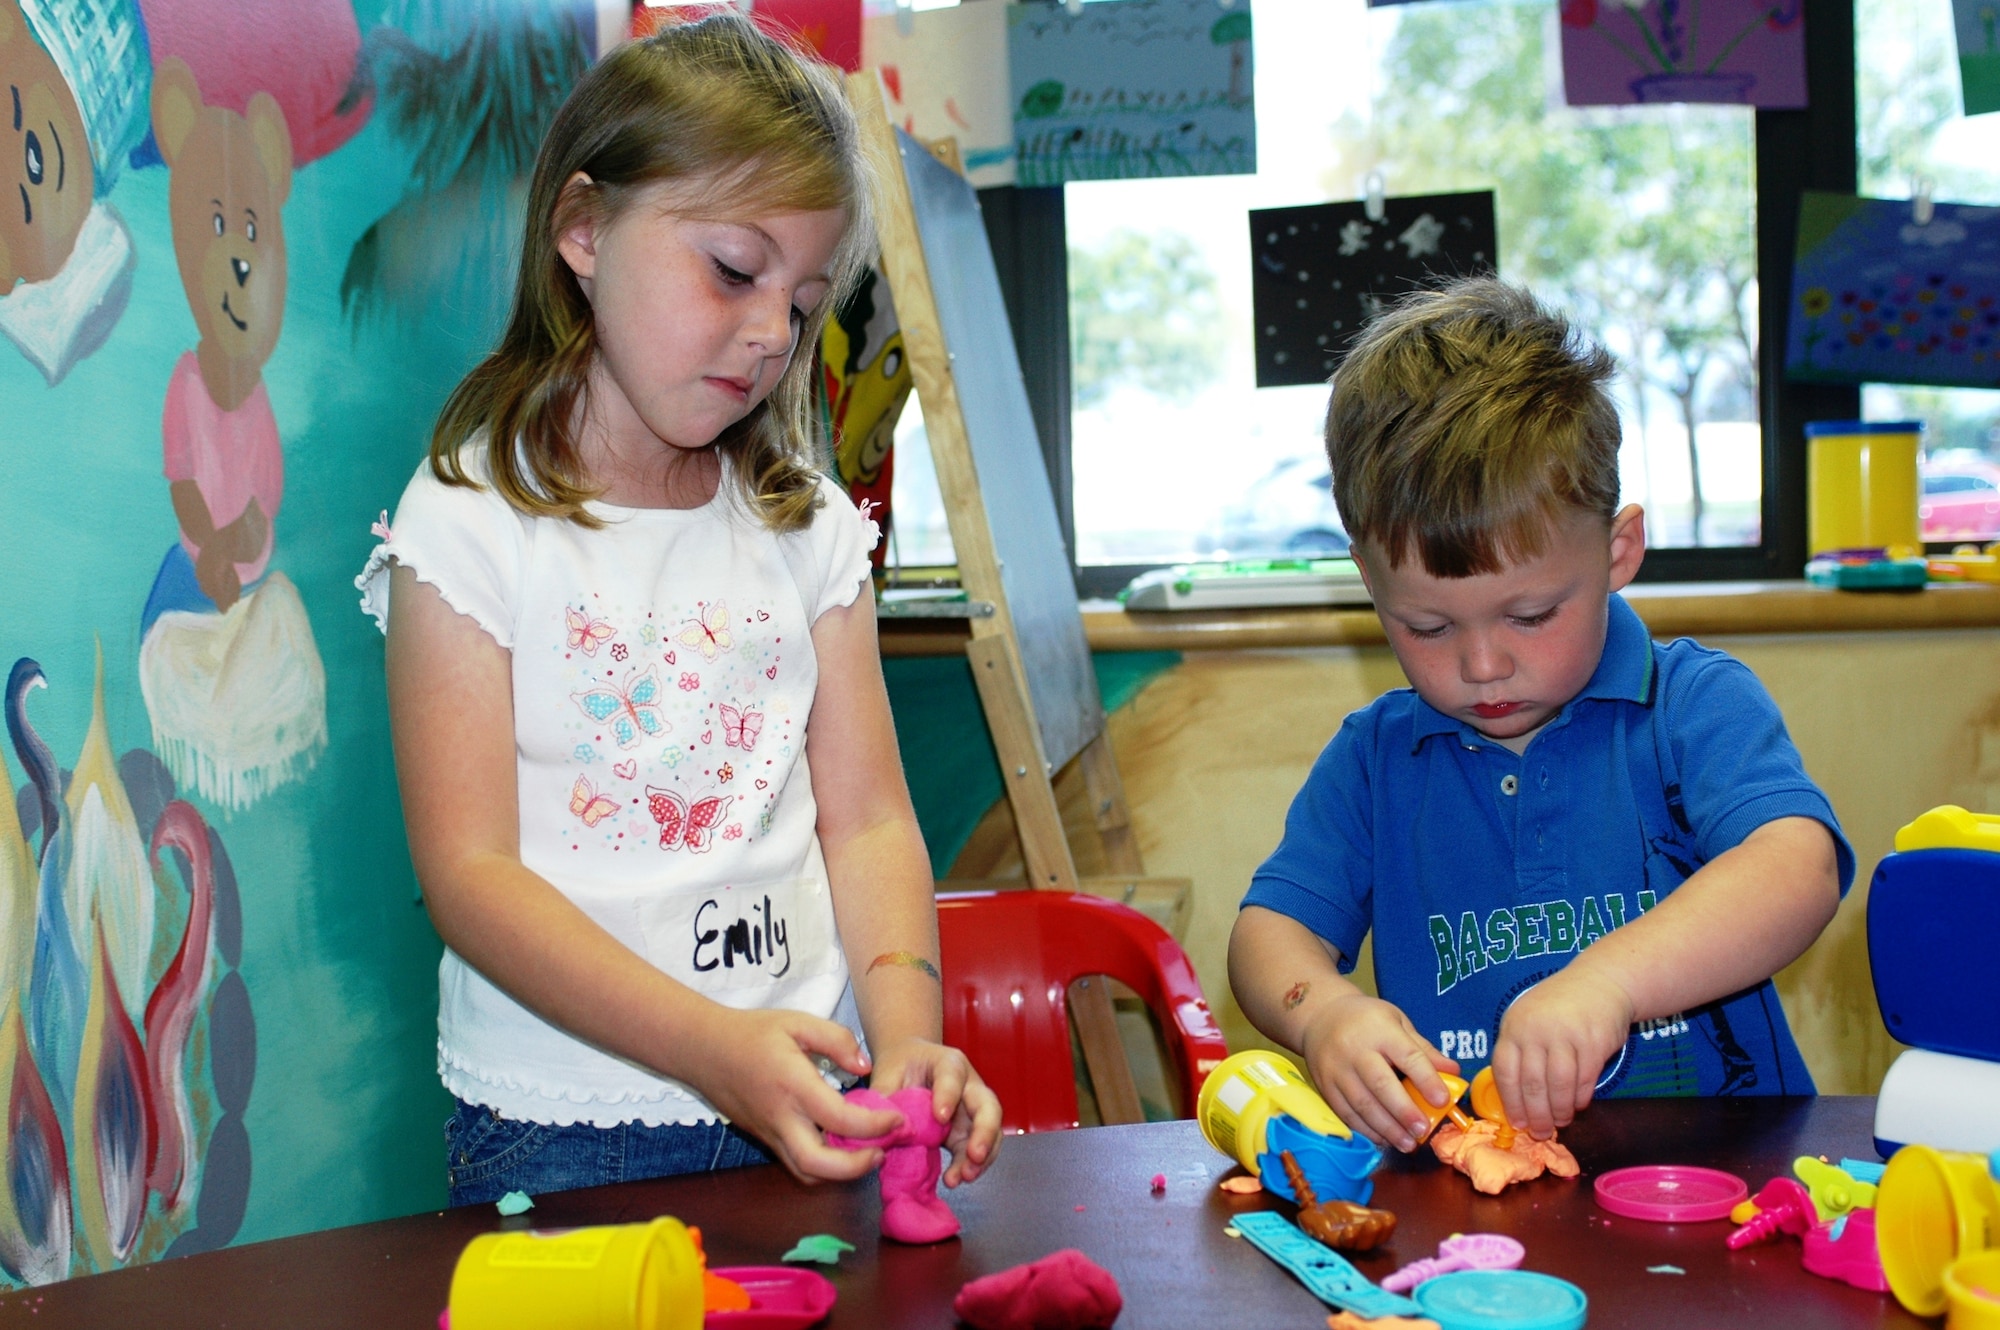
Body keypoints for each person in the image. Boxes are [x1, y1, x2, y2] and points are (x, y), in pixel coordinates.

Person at [356, 14, 1000, 1204]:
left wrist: (905, 1030)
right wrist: (713, 1048)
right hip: (564, 1127)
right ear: (586, 228)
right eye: (733, 269)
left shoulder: (806, 527)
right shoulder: (467, 521)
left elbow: (864, 823)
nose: (769, 335)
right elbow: (472, 875)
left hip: (818, 1091)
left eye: (802, 304)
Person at [1228, 278, 1851, 1155]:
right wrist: (1321, 1013)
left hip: (1722, 1180)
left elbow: (1798, 870)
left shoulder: (1692, 707)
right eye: (1428, 626)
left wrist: (1608, 984)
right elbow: (1270, 932)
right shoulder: (1374, 760)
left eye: (1530, 616)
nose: (1483, 665)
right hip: (1475, 1195)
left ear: (1617, 552)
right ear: (1372, 591)